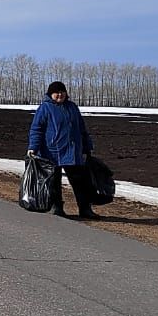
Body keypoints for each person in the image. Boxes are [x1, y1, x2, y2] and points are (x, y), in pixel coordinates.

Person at [28, 80, 96, 219]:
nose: (60, 95)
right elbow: (37, 129)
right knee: (53, 182)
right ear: (50, 94)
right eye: (56, 92)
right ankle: (56, 207)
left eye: (62, 92)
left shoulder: (72, 107)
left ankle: (85, 209)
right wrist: (33, 147)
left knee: (80, 182)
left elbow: (82, 128)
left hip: (72, 151)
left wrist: (87, 146)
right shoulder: (45, 108)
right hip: (51, 151)